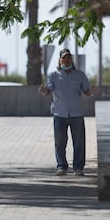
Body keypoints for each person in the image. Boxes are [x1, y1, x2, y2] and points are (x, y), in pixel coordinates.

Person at [39, 48, 97, 176]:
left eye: (68, 58)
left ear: (71, 60)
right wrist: (44, 91)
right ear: (60, 60)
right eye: (64, 58)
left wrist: (91, 91)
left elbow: (86, 91)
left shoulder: (80, 75)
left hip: (76, 113)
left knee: (79, 142)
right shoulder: (53, 75)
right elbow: (48, 90)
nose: (66, 60)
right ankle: (62, 166)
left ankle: (78, 168)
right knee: (60, 142)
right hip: (60, 114)